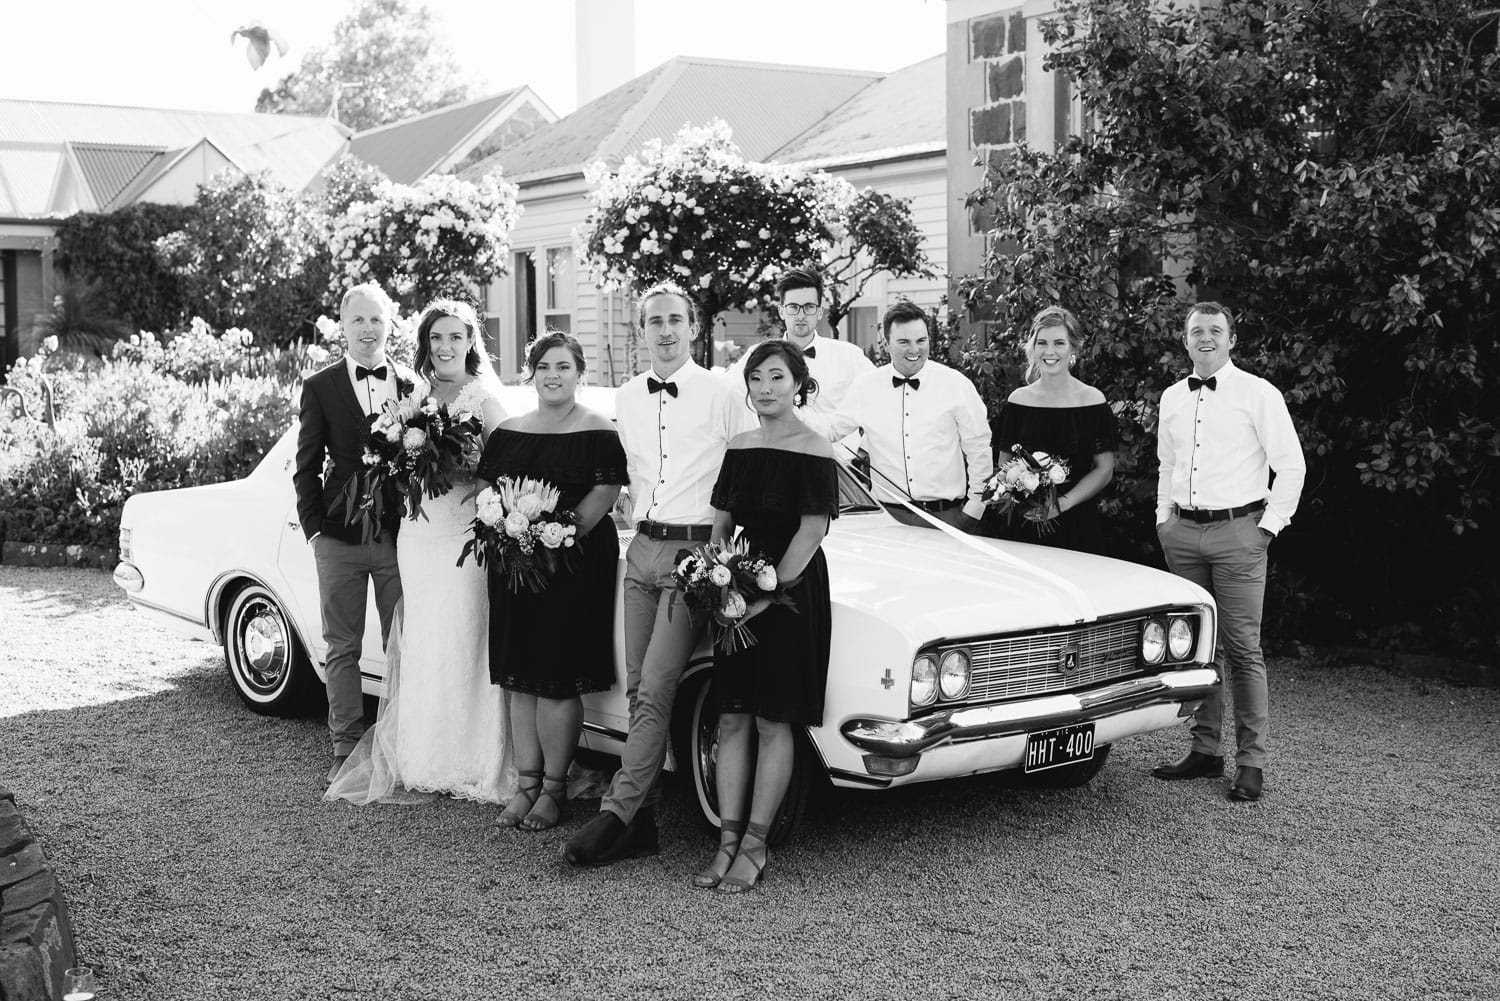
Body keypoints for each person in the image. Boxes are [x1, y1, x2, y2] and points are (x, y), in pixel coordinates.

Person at [563, 282, 756, 867]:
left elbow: (741, 473)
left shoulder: (723, 392)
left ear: (693, 327)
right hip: (640, 549)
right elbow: (616, 476)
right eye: (655, 322)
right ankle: (643, 822)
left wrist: (721, 558)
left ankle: (617, 813)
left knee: (656, 687)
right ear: (641, 331)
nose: (666, 331)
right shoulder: (626, 397)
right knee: (636, 681)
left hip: (695, 558)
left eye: (676, 320)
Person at [325, 299, 512, 805]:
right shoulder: (417, 395)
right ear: (426, 345)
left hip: (462, 536)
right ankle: (422, 756)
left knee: (467, 635)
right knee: (424, 637)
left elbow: (508, 462)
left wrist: (474, 478)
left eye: (455, 337)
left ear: (472, 341)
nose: (445, 346)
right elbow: (392, 462)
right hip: (418, 536)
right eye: (436, 338)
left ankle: (473, 759)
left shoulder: (484, 397)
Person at [694, 340, 837, 894]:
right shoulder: (741, 446)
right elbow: (721, 523)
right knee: (731, 715)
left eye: (777, 377)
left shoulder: (816, 447)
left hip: (791, 596)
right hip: (733, 594)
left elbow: (810, 532)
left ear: (798, 383)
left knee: (773, 720)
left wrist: (763, 593)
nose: (766, 388)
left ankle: (755, 845)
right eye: (756, 378)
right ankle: (726, 839)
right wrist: (719, 580)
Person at [1151, 301, 1305, 803]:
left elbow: (1292, 466)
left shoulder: (1259, 394)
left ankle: (1251, 763)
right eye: (1197, 331)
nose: (1206, 338)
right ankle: (1204, 750)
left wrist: (1267, 529)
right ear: (1185, 339)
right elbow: (1165, 465)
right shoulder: (1172, 397)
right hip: (1184, 535)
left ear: (1232, 339)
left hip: (1240, 533)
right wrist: (1163, 521)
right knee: (1196, 646)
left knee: (1242, 648)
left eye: (1216, 330)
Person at [477, 332, 626, 830]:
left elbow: (605, 491)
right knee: (520, 678)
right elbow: (487, 496)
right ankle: (525, 784)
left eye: (563, 366)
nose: (553, 375)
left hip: (575, 566)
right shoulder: (510, 432)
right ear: (531, 373)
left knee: (559, 679)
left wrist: (554, 539)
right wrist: (513, 537)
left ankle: (555, 791)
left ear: (579, 373)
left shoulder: (598, 429)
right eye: (544, 367)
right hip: (515, 568)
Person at [294, 282, 415, 784]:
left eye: (376, 320)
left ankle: (402, 737)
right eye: (358, 320)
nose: (368, 329)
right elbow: (306, 465)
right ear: (341, 327)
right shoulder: (320, 386)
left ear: (390, 325)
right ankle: (345, 743)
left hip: (397, 538)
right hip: (338, 539)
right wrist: (314, 531)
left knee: (404, 641)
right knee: (341, 645)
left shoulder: (412, 385)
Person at [845, 300, 993, 531]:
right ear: (886, 343)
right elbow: (833, 428)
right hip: (888, 521)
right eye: (904, 342)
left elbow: (979, 449)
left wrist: (974, 510)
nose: (914, 349)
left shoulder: (956, 384)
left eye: (921, 340)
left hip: (949, 518)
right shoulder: (865, 387)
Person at [990, 306, 1116, 554]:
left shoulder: (1092, 401)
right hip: (1023, 524)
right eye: (1042, 343)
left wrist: (1060, 505)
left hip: (1078, 525)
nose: (1050, 351)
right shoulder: (1018, 401)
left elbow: (1105, 469)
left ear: (1073, 348)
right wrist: (1018, 494)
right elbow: (1003, 467)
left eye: (1059, 343)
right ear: (1033, 348)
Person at [722, 266, 873, 440]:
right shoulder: (756, 356)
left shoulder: (849, 356)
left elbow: (881, 397)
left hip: (837, 459)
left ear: (819, 312)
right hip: (777, 458)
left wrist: (865, 449)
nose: (801, 315)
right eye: (793, 307)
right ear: (781, 311)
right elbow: (727, 395)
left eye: (808, 307)